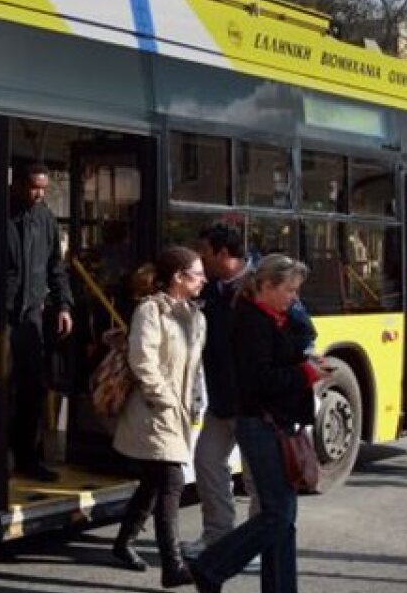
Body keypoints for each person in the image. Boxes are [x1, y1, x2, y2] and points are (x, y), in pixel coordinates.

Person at [190, 254, 316, 593]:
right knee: (277, 514)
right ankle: (212, 565)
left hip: (278, 423)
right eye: (289, 290)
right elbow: (258, 379)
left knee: (284, 519)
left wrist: (296, 321)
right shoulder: (249, 320)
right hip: (262, 425)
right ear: (266, 286)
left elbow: (306, 336)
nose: (294, 297)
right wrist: (304, 373)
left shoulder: (279, 316)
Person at [110, 245, 206, 588]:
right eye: (197, 274)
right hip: (154, 410)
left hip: (179, 410)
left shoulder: (196, 315)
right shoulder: (151, 311)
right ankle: (173, 565)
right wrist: (164, 399)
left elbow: (195, 369)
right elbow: (142, 360)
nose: (203, 280)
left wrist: (196, 403)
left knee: (154, 483)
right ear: (178, 278)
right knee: (171, 482)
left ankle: (123, 543)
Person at [185, 223, 258, 562]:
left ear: (223, 254)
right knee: (207, 462)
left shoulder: (261, 285)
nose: (200, 261)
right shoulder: (213, 289)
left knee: (258, 479)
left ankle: (256, 542)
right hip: (221, 400)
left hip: (253, 404)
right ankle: (218, 535)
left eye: (204, 254)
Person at [5, 163, 73, 482]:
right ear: (19, 183)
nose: (39, 193)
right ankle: (0, 456)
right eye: (34, 187)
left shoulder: (45, 219)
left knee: (33, 387)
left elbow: (55, 266)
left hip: (31, 314)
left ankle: (27, 457)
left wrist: (63, 305)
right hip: (0, 314)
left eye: (44, 188)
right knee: (1, 389)